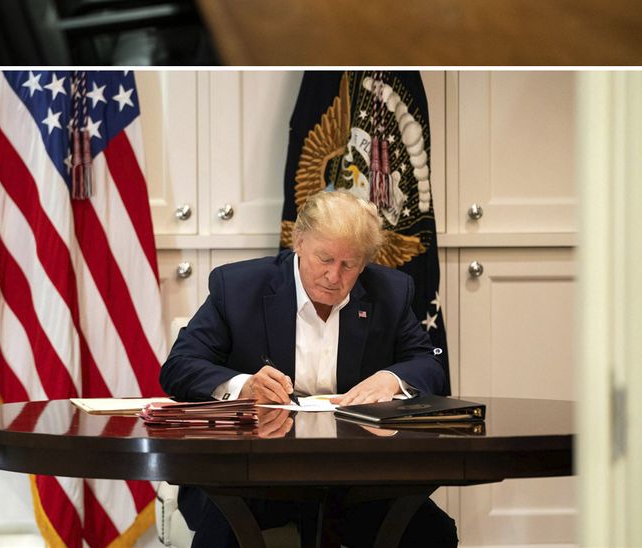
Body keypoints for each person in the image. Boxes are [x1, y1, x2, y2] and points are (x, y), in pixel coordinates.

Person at [160, 189, 458, 548]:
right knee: (223, 530)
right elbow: (179, 366)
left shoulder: (390, 292)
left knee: (433, 532)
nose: (334, 276)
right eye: (325, 258)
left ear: (364, 263)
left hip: (355, 478)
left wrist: (392, 379)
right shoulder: (238, 287)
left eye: (349, 265)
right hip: (250, 474)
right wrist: (243, 386)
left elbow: (429, 364)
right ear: (298, 242)